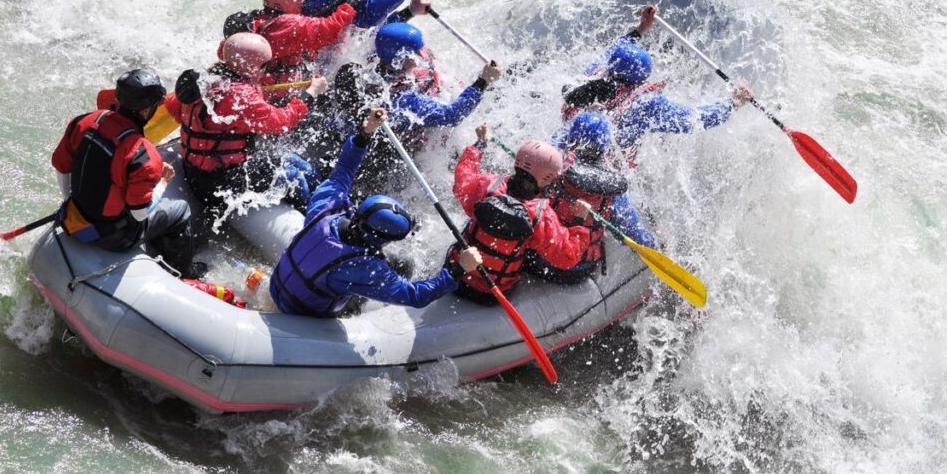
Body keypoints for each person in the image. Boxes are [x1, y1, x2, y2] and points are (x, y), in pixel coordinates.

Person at [268, 108, 484, 318]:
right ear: (381, 239)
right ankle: (352, 313)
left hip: (277, 285)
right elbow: (416, 295)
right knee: (404, 265)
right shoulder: (363, 267)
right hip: (301, 312)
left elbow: (343, 170)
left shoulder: (326, 206)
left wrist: (365, 133)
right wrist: (459, 269)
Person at [164, 33, 328, 225]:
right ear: (250, 66)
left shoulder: (202, 84)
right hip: (219, 184)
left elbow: (174, 108)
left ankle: (328, 202)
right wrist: (311, 92)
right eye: (263, 66)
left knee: (299, 164)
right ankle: (318, 222)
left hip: (203, 173)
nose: (265, 71)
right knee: (295, 176)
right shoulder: (238, 95)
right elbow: (283, 122)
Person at [51, 69, 201, 277]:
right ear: (146, 109)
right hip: (113, 236)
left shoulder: (84, 121)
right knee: (180, 210)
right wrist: (163, 183)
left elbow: (62, 167)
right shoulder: (143, 155)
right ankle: (185, 272)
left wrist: (71, 203)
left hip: (73, 216)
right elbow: (139, 213)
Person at [561, 5, 754, 164]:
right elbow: (694, 119)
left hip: (565, 153)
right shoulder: (644, 104)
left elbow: (617, 46)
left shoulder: (596, 72)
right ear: (640, 79)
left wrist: (641, 29)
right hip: (603, 168)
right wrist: (734, 102)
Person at [447, 124, 592, 304]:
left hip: (453, 275)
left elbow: (462, 178)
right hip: (492, 293)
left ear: (517, 162)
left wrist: (480, 145)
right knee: (530, 248)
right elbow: (566, 258)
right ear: (549, 179)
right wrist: (579, 220)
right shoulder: (541, 215)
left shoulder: (487, 185)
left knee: (475, 218)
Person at [527, 112, 656, 284]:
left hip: (535, 259)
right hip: (576, 271)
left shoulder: (553, 168)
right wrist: (654, 245)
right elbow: (635, 234)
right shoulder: (611, 189)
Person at [220, 0, 369, 101]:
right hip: (275, 97)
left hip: (249, 87)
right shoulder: (289, 25)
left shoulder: (254, 21)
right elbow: (332, 29)